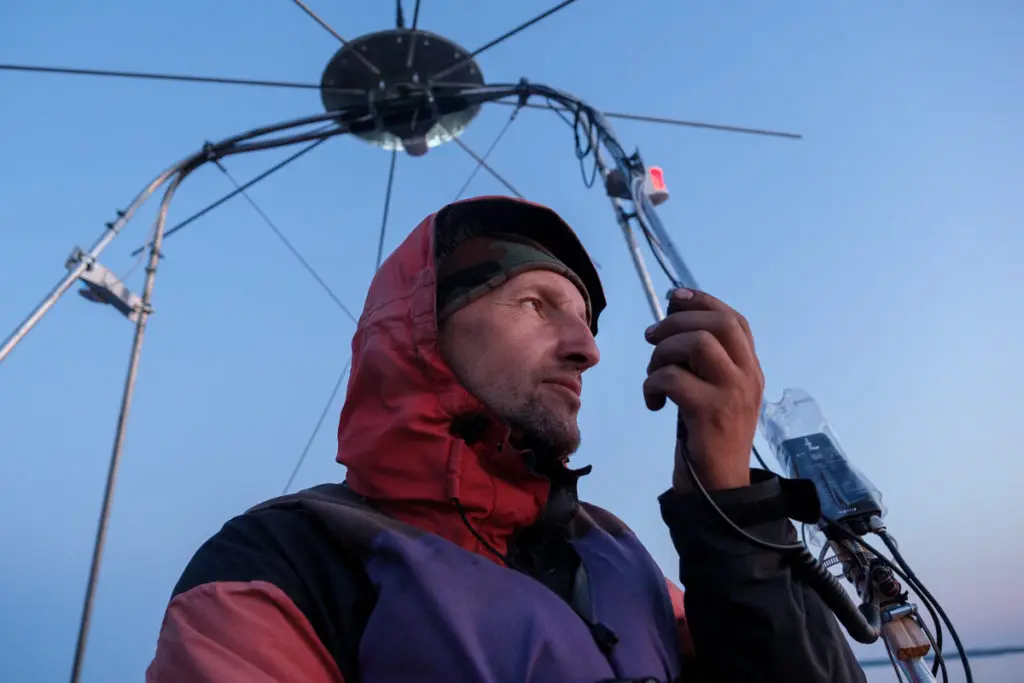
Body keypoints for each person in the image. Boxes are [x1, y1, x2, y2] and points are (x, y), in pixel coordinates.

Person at [146, 196, 866, 682]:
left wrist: (727, 508)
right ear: (422, 330)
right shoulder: (281, 562)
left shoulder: (617, 556)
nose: (587, 349)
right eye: (536, 304)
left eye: (584, 321)